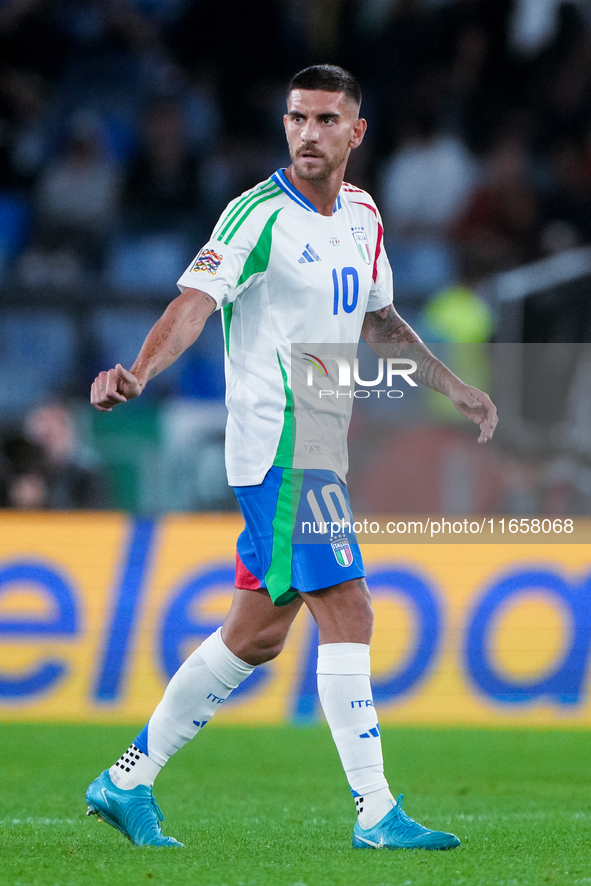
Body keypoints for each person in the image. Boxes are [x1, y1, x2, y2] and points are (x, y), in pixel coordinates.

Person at [86, 65, 498, 851]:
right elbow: (194, 305)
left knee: (257, 632)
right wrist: (138, 372)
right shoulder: (254, 215)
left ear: (355, 131)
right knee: (350, 608)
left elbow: (380, 322)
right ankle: (376, 812)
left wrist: (454, 388)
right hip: (279, 445)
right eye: (295, 118)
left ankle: (126, 779)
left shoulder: (364, 215)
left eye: (324, 120)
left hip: (319, 445)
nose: (308, 134)